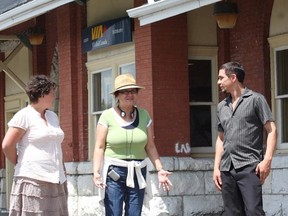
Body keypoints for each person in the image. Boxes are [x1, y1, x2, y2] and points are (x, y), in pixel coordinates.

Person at [93, 74, 173, 216]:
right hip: (114, 172)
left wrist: (160, 169)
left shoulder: (144, 115)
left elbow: (150, 146)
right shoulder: (107, 116)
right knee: (114, 213)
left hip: (138, 171)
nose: (130, 95)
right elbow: (99, 147)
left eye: (133, 91)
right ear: (117, 95)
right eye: (125, 91)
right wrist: (96, 172)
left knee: (134, 213)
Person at [213, 62, 277, 215]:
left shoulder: (256, 99)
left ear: (233, 77)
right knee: (231, 213)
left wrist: (267, 160)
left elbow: (272, 130)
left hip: (249, 166)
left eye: (221, 78)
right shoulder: (222, 106)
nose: (218, 82)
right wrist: (216, 167)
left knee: (253, 211)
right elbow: (221, 139)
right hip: (227, 169)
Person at [2, 75, 68, 216]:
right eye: (52, 92)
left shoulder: (52, 116)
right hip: (33, 179)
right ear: (42, 93)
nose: (54, 95)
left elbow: (55, 145)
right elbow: (7, 145)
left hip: (56, 179)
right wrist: (19, 161)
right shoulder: (24, 115)